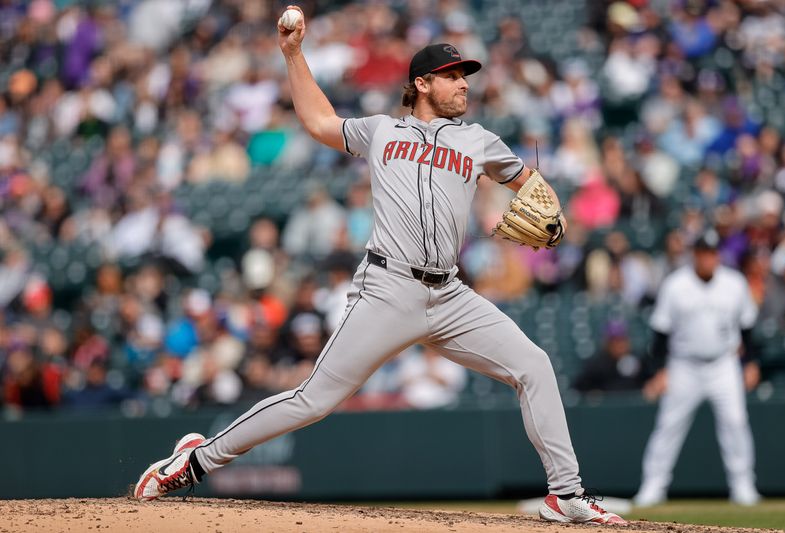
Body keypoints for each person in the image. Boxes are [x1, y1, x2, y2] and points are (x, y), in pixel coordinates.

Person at [133, 7, 625, 524]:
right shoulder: (382, 131)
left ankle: (565, 494)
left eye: (465, 77)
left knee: (535, 366)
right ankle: (194, 461)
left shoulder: (479, 140)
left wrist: (548, 207)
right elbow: (320, 121)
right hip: (388, 289)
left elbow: (528, 183)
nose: (463, 85)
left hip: (452, 295)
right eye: (452, 76)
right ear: (421, 83)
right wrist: (293, 54)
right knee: (313, 400)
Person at [634, 230, 762, 507]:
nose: (708, 258)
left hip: (723, 364)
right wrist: (660, 370)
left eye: (712, 253)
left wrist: (750, 362)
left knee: (736, 423)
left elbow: (748, 327)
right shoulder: (676, 285)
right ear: (695, 254)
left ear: (718, 255)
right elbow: (660, 332)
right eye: (703, 252)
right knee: (668, 425)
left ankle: (743, 485)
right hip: (684, 365)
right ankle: (653, 486)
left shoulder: (734, 283)